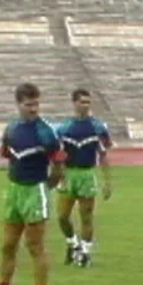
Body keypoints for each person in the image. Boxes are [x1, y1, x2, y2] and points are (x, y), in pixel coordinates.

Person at [0, 83, 63, 285]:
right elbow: (7, 154)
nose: (33, 109)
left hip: (34, 190)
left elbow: (58, 164)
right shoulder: (12, 128)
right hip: (15, 190)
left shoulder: (46, 131)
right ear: (18, 104)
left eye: (36, 104)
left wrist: (46, 187)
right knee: (8, 246)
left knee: (35, 246)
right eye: (28, 104)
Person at [54, 89, 113, 268]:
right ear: (74, 103)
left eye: (88, 102)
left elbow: (103, 153)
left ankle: (85, 253)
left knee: (86, 216)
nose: (86, 106)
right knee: (62, 216)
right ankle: (73, 244)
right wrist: (57, 175)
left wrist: (107, 182)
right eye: (82, 102)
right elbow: (57, 155)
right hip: (69, 174)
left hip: (87, 174)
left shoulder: (98, 127)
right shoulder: (64, 128)